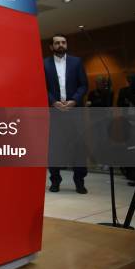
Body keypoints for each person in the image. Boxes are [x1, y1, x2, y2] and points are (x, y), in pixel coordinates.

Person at [43, 34, 89, 194]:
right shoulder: (44, 64)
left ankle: (79, 182)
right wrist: (54, 102)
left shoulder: (77, 62)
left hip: (74, 110)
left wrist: (74, 101)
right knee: (54, 147)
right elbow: (43, 87)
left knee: (79, 147)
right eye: (57, 43)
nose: (60, 45)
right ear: (51, 46)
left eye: (63, 42)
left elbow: (83, 85)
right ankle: (55, 181)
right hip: (54, 111)